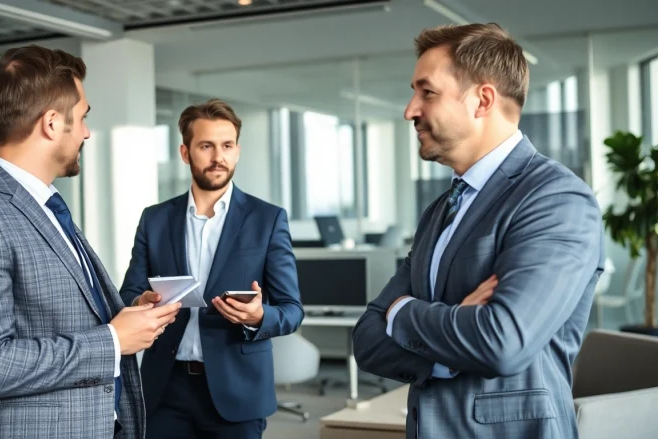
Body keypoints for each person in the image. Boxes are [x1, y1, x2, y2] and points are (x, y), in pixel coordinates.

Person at [352, 23, 604, 439]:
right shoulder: (440, 209)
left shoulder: (555, 198)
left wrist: (401, 312)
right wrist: (452, 331)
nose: (410, 109)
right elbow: (367, 339)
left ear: (482, 100)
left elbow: (502, 341)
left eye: (427, 92)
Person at [0, 45, 181, 439]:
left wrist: (127, 315)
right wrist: (113, 340)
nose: (86, 132)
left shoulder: (43, 203)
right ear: (50, 123)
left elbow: (53, 314)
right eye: (81, 118)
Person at [119, 99, 304, 439]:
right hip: (165, 389)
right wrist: (141, 301)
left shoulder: (267, 219)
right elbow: (128, 294)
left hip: (238, 391)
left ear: (237, 151)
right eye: (206, 146)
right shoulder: (155, 219)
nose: (218, 156)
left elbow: (292, 310)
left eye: (227, 145)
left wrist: (258, 316)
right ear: (185, 152)